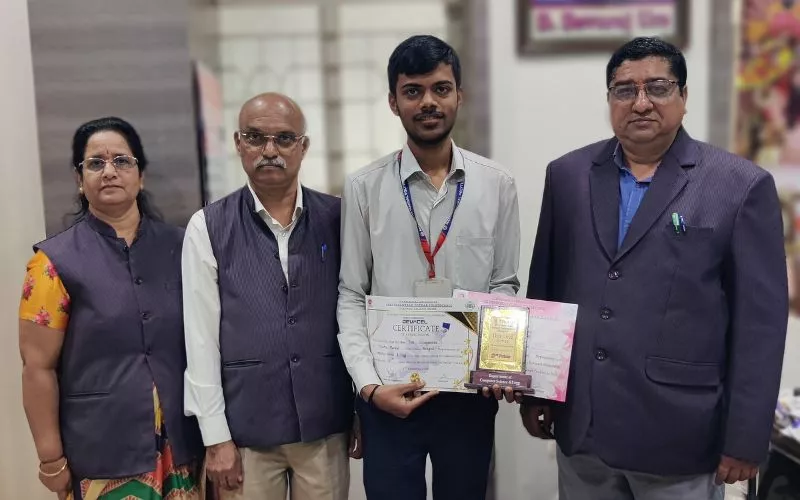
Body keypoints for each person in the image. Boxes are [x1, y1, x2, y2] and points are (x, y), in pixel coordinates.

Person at [522, 36, 789, 499]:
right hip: (583, 430)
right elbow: (545, 290)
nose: (641, 102)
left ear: (683, 96)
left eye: (658, 88)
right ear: (610, 99)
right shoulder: (567, 176)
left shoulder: (739, 186)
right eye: (625, 90)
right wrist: (537, 390)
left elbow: (760, 326)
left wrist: (745, 437)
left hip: (680, 437)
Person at [337, 35, 521, 500]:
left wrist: (498, 361)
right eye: (413, 91)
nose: (428, 102)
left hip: (468, 395)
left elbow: (504, 284)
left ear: (460, 95)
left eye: (441, 88)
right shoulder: (363, 188)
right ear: (393, 102)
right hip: (390, 392)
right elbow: (351, 293)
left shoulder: (497, 185)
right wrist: (368, 386)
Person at [182, 92, 358, 500]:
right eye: (256, 137)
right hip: (245, 431)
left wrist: (360, 410)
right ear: (238, 143)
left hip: (325, 424)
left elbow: (357, 314)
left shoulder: (339, 218)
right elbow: (200, 338)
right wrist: (216, 437)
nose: (270, 150)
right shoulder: (207, 226)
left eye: (284, 138)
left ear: (303, 146)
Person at [18, 116, 203, 500]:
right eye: (95, 163)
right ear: (79, 179)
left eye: (121, 161)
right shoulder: (53, 263)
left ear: (140, 175)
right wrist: (50, 459)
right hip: (101, 451)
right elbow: (37, 368)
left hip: (183, 448)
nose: (109, 171)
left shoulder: (183, 247)